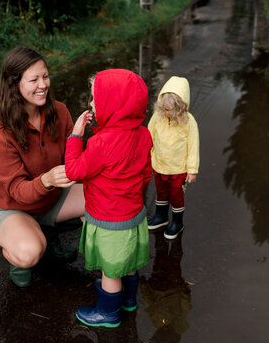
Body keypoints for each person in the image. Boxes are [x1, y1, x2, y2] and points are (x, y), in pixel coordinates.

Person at [0, 46, 85, 288]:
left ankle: (48, 235)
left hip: (50, 199)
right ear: (14, 84)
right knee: (29, 252)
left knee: (105, 199)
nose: (43, 85)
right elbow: (17, 190)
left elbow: (75, 157)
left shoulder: (59, 111)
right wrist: (47, 179)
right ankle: (22, 259)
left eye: (45, 76)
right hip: (9, 207)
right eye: (34, 79)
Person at [65, 69, 153, 327]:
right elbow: (146, 174)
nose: (91, 104)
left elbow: (74, 171)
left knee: (111, 271)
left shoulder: (100, 143)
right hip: (133, 215)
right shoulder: (143, 134)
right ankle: (128, 300)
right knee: (129, 262)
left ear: (113, 105)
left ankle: (108, 313)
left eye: (94, 99)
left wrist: (75, 136)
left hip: (109, 219)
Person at [147, 76, 199, 239]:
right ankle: (161, 216)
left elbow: (193, 147)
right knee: (161, 193)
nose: (165, 112)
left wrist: (192, 170)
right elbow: (149, 136)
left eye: (169, 110)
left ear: (180, 108)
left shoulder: (189, 122)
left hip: (178, 169)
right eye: (163, 108)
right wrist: (146, 157)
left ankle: (177, 222)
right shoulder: (158, 117)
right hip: (159, 165)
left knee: (176, 196)